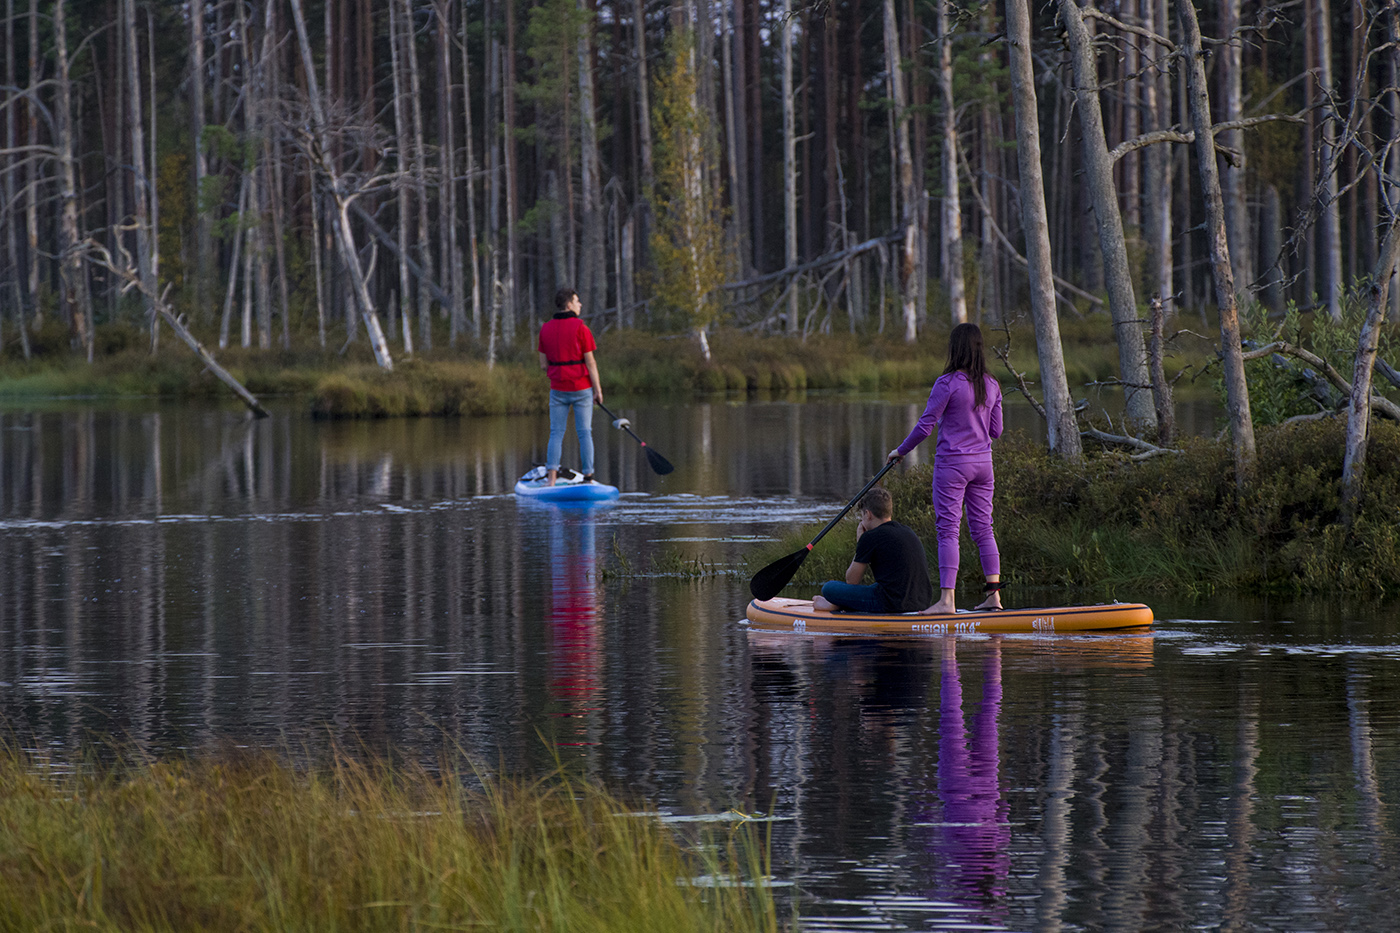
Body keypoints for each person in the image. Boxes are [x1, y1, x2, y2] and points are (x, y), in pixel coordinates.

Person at [887, 322, 1003, 614]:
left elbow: (926, 426)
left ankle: (947, 601)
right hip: (983, 465)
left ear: (955, 349)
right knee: (983, 529)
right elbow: (997, 431)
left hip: (953, 465)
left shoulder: (947, 383)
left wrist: (900, 451)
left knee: (948, 531)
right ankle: (994, 598)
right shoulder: (992, 384)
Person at [812, 486, 934, 614]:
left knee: (829, 588)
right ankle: (839, 604)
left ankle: (835, 605)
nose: (862, 520)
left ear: (868, 514)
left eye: (862, 515)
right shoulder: (908, 531)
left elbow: (852, 580)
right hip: (923, 602)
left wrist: (861, 543)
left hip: (891, 604)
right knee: (875, 587)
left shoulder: (870, 537)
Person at [538, 287, 604, 486]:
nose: (580, 304)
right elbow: (590, 362)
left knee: (556, 433)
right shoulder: (581, 328)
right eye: (577, 301)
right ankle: (588, 477)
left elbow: (543, 364)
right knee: (584, 432)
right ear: (569, 305)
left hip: (558, 389)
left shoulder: (545, 329)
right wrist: (598, 390)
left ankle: (551, 479)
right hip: (582, 388)